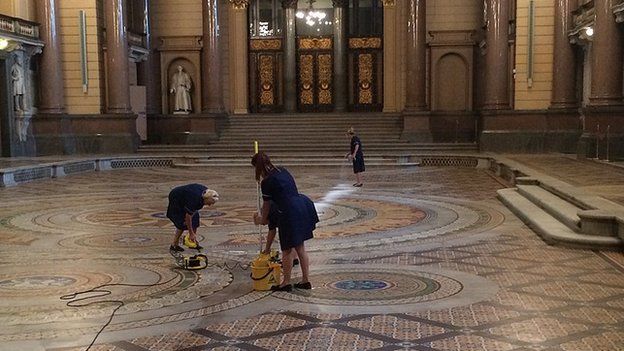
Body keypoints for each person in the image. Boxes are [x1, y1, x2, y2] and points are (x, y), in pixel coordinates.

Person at [252, 152, 318, 291]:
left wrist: (261, 220)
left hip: (289, 212)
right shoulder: (282, 169)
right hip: (302, 205)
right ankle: (305, 281)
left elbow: (267, 206)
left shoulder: (267, 182)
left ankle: (286, 283)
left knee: (287, 250)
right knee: (300, 247)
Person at [166, 184, 219, 251]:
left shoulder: (207, 192)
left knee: (195, 219)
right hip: (176, 198)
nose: (209, 205)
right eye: (209, 203)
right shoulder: (195, 200)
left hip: (187, 197)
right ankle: (174, 245)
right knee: (182, 223)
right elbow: (188, 217)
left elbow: (192, 214)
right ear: (206, 199)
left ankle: (192, 241)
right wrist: (191, 233)